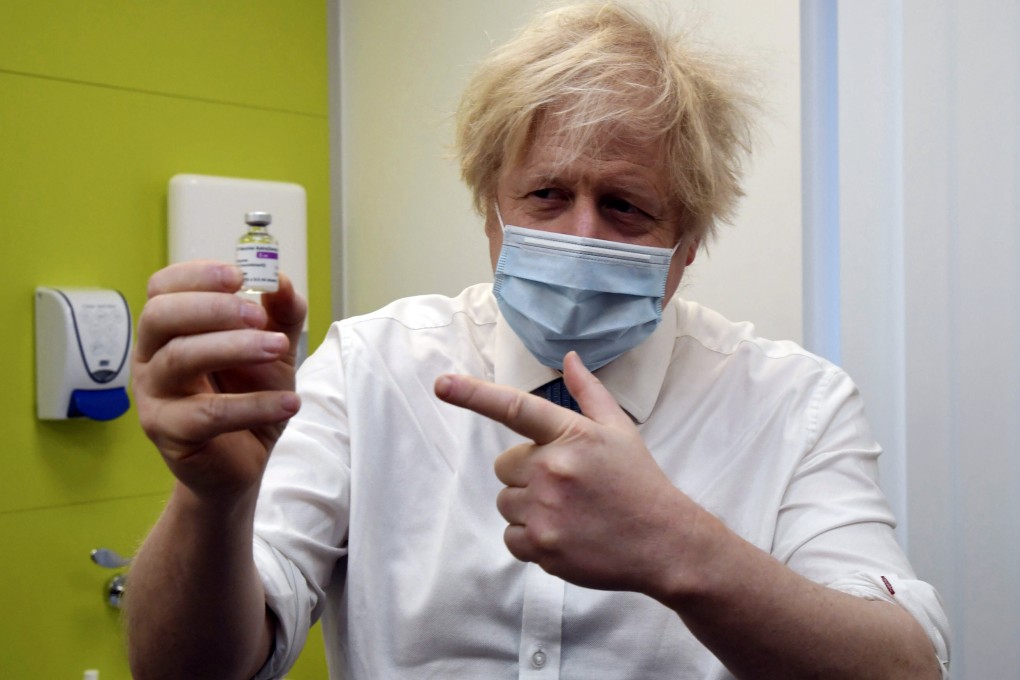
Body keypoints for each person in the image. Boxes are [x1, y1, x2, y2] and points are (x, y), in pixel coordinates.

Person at [125, 2, 950, 679]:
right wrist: (212, 504)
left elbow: (907, 663)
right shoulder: (370, 368)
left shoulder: (795, 407)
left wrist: (682, 551)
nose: (581, 236)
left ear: (688, 240)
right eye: (547, 194)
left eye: (625, 206)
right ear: (491, 209)